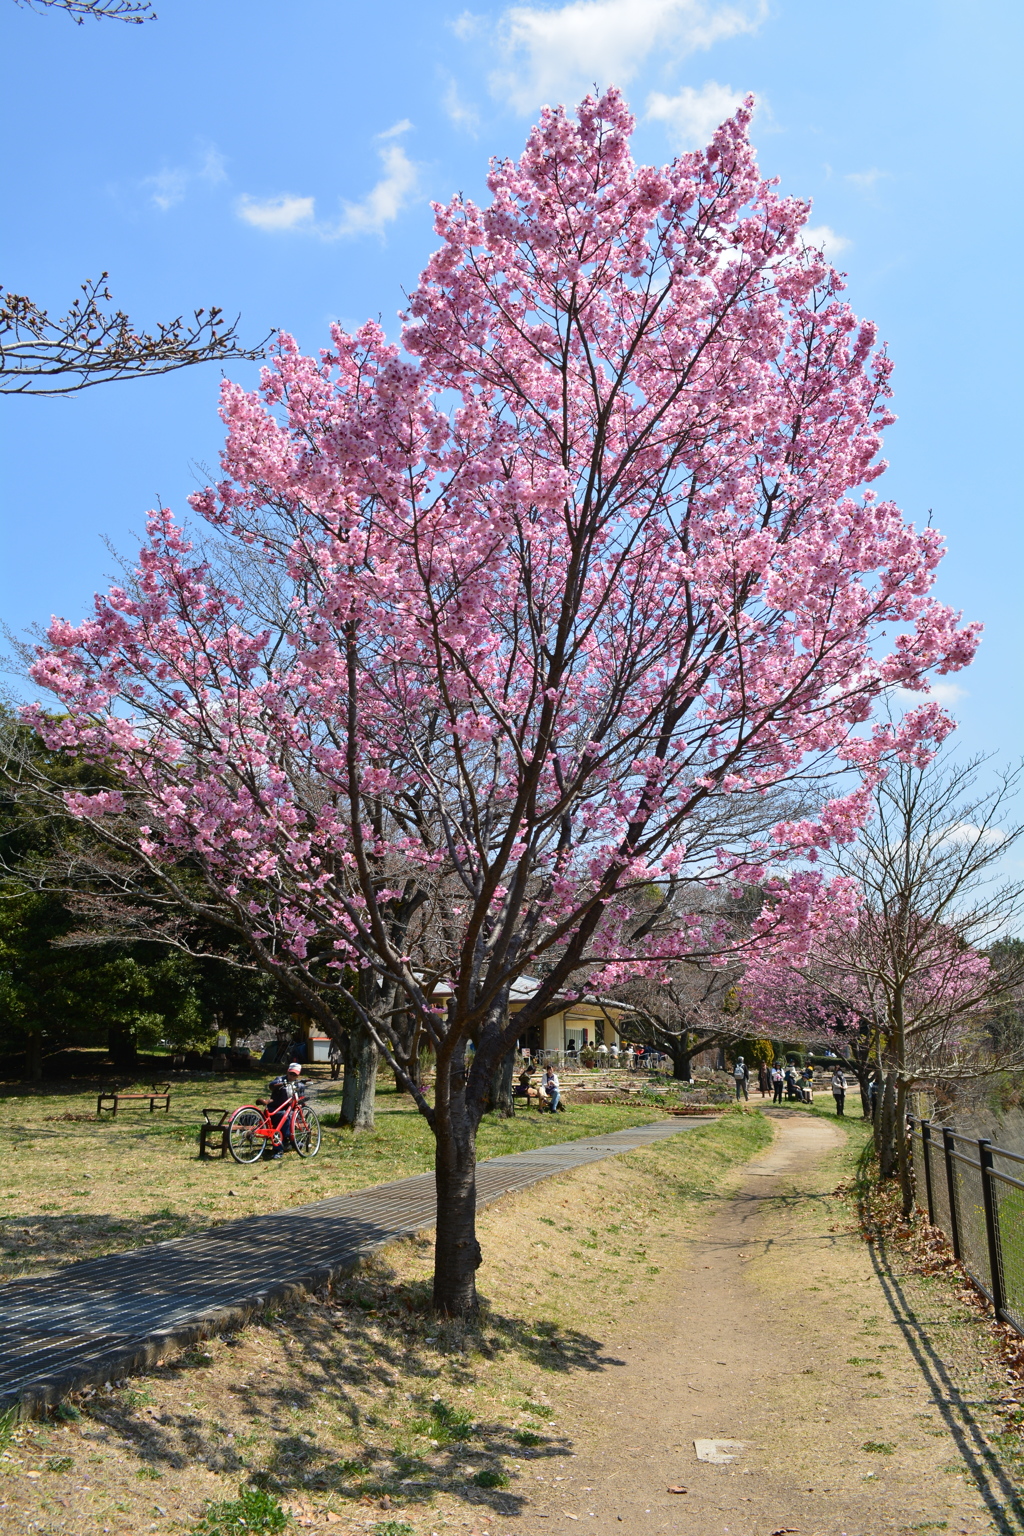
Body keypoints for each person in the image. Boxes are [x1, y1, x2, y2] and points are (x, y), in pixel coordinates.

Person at [267, 1062, 306, 1157]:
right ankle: (288, 1142)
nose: (292, 1076)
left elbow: (301, 1101)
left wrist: (301, 1115)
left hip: (290, 1111)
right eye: (290, 1074)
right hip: (276, 1109)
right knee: (284, 1117)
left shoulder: (299, 1085)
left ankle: (287, 1143)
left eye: (295, 1075)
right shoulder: (280, 1079)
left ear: (298, 1075)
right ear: (287, 1072)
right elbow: (272, 1085)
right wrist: (278, 1084)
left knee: (288, 1116)